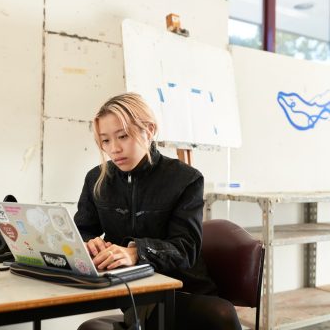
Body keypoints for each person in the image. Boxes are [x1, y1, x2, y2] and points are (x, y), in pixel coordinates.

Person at [74, 92, 241, 330]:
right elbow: (81, 230)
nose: (114, 149)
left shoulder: (185, 179)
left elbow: (185, 248)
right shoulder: (97, 178)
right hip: (135, 293)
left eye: (122, 136)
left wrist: (135, 252)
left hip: (184, 290)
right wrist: (90, 243)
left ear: (149, 130)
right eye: (106, 140)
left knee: (219, 315)